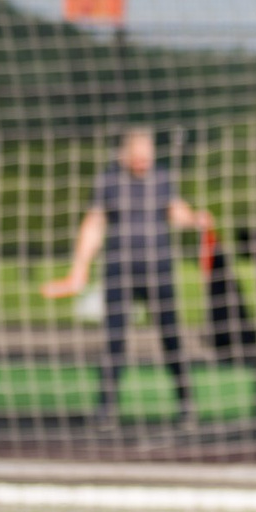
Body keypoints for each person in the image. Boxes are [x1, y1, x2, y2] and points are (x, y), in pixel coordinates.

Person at [40, 129, 209, 429]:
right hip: (120, 271)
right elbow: (93, 224)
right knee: (114, 341)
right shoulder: (109, 181)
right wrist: (79, 269)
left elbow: (176, 210)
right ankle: (106, 410)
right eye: (138, 153)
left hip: (158, 270)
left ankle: (186, 407)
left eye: (148, 152)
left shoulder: (161, 178)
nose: (144, 159)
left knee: (172, 339)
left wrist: (195, 218)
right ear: (125, 153)